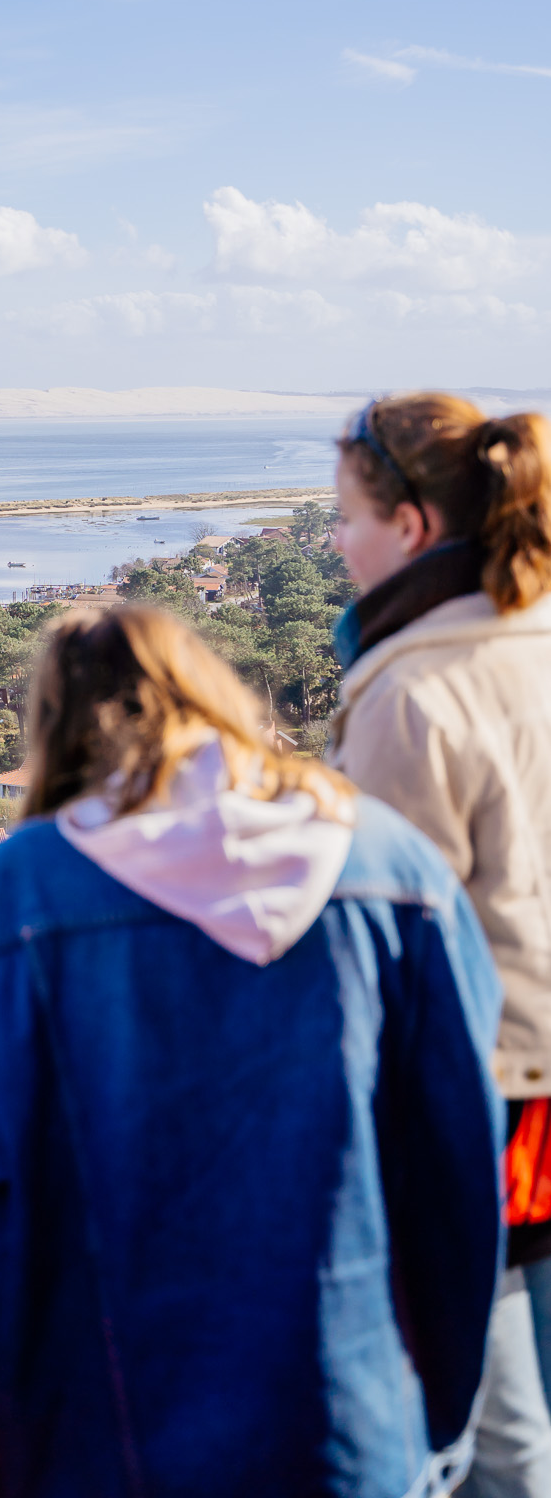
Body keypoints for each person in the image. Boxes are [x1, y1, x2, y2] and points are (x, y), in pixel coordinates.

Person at [0, 602, 504, 1498]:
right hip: (357, 1404)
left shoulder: (21, 891)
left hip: (110, 1417)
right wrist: (443, 1404)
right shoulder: (391, 865)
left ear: (59, 727)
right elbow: (461, 1138)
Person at [329, 394, 551, 1494]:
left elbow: (386, 933)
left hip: (498, 1094)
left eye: (345, 517)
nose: (335, 541)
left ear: (411, 528)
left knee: (492, 1433)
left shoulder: (410, 689)